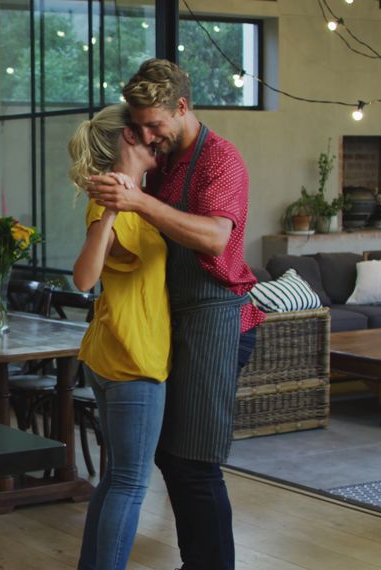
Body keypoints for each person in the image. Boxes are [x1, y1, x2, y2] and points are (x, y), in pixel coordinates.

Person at [87, 59, 265, 570]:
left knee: (193, 462)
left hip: (217, 313)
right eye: (137, 126)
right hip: (170, 318)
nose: (148, 135)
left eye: (154, 124)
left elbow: (214, 236)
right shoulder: (158, 158)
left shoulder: (221, 160)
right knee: (166, 457)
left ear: (182, 107)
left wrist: (139, 201)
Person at [69, 103, 171, 569]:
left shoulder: (137, 197)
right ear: (129, 138)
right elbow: (85, 278)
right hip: (132, 361)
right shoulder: (110, 199)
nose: (156, 139)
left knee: (116, 478)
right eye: (147, 131)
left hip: (112, 355)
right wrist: (110, 212)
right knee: (131, 482)